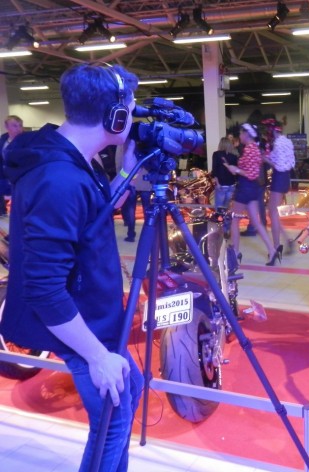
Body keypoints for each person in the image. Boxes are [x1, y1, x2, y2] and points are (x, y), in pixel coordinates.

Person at [0, 64, 143, 470]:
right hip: (75, 319)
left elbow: (95, 210)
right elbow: (44, 289)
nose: (133, 117)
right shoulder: (58, 179)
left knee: (129, 389)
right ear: (115, 116)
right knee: (112, 417)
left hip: (91, 312)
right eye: (131, 108)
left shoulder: (77, 160)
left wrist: (128, 167)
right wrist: (97, 357)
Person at [223, 123, 279, 265]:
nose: (240, 135)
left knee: (234, 220)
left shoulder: (249, 150)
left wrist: (235, 169)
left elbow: (251, 174)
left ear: (247, 134)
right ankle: (272, 250)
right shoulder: (255, 148)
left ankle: (235, 253)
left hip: (245, 188)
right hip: (252, 189)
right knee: (256, 222)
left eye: (241, 133)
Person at [262, 118, 295, 254]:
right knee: (272, 212)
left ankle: (277, 246)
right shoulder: (287, 141)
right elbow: (290, 163)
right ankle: (286, 240)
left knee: (272, 212)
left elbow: (278, 165)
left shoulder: (277, 143)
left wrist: (265, 159)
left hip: (279, 177)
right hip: (285, 177)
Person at [0, 115, 24, 215]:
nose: (18, 129)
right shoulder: (3, 139)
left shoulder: (27, 141)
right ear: (7, 127)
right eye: (14, 125)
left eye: (20, 125)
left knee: (19, 203)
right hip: (3, 176)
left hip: (19, 177)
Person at [210, 137, 238, 209]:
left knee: (219, 207)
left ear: (221, 144)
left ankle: (219, 216)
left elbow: (215, 170)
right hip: (231, 184)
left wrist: (217, 183)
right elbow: (236, 171)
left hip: (221, 184)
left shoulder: (216, 154)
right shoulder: (234, 156)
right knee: (226, 207)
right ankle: (225, 216)